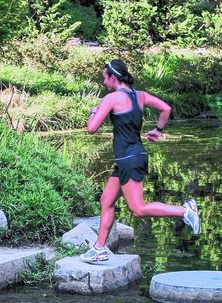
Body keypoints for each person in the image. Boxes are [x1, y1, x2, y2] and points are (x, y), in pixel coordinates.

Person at [80, 58, 200, 263]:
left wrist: (93, 113)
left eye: (104, 78)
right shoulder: (140, 96)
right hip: (132, 157)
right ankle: (99, 248)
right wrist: (157, 130)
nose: (103, 82)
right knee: (106, 201)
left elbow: (91, 129)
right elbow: (166, 109)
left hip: (128, 159)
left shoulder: (111, 98)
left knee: (138, 209)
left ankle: (185, 211)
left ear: (113, 77)